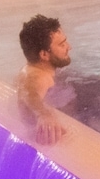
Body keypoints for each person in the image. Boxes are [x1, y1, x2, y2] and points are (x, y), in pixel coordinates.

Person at [15, 14, 72, 146]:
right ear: (44, 54)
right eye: (62, 44)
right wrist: (44, 114)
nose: (69, 47)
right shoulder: (38, 77)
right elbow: (28, 92)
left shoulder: (31, 70)